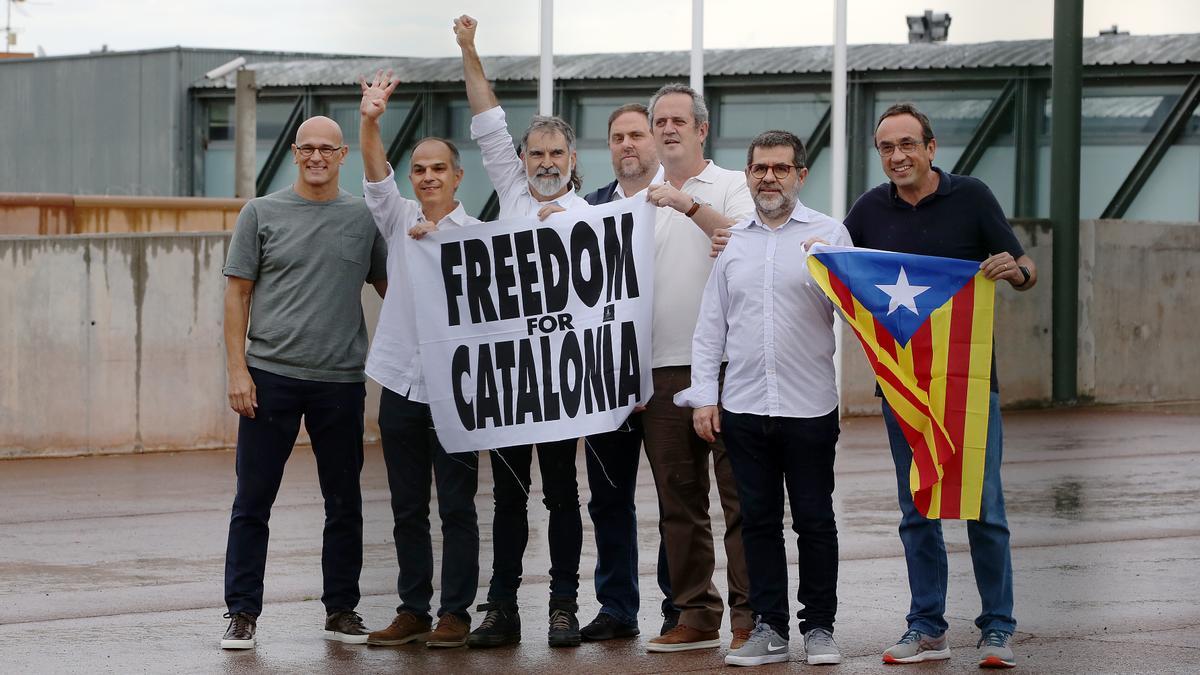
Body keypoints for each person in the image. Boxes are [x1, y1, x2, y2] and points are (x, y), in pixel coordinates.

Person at [844, 102, 1037, 669]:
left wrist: (1014, 271)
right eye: (886, 147)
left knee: (984, 507)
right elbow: (837, 263)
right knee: (917, 508)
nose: (898, 156)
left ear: (931, 148)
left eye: (908, 144)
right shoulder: (866, 210)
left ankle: (997, 630)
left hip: (971, 383)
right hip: (901, 386)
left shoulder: (972, 196)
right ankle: (927, 627)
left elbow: (1026, 269)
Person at [676, 130, 849, 667]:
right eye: (759, 169)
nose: (768, 177)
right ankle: (769, 629)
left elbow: (859, 312)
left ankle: (819, 628)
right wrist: (705, 396)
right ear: (748, 176)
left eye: (780, 168)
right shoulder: (734, 240)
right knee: (757, 522)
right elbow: (711, 326)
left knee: (815, 520)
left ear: (801, 174)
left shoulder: (830, 234)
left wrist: (830, 271)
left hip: (810, 407)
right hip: (745, 406)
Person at [220, 115, 387, 650]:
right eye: (308, 148)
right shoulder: (261, 214)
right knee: (253, 501)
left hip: (340, 381)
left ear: (343, 157)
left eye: (328, 150)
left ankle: (341, 610)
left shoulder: (364, 220)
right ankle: (242, 612)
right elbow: (236, 296)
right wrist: (237, 371)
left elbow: (397, 291)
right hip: (270, 377)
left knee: (344, 502)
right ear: (295, 152)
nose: (317, 157)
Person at [455, 14, 589, 649]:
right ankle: (501, 608)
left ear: (572, 160)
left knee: (563, 498)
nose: (543, 162)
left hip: (564, 379)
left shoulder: (598, 218)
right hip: (510, 379)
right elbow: (487, 119)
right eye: (534, 153)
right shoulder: (510, 193)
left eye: (554, 154)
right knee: (507, 501)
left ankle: (564, 605)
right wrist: (469, 47)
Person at [356, 70, 482, 650]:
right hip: (401, 387)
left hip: (458, 391)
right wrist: (370, 119)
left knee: (456, 507)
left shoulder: (483, 237)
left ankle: (454, 613)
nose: (428, 177)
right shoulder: (398, 220)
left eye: (439, 168)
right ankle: (412, 608)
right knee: (407, 507)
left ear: (458, 176)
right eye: (420, 169)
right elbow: (375, 174)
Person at [640, 82, 757, 654]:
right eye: (658, 120)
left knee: (740, 498)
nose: (667, 129)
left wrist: (686, 204)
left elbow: (738, 240)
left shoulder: (735, 185)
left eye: (677, 120)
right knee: (678, 502)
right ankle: (695, 613)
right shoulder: (636, 200)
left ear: (701, 129)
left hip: (729, 366)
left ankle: (751, 615)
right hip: (660, 370)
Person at [570, 103, 665, 642]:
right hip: (606, 382)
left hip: (669, 375)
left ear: (655, 140)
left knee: (678, 500)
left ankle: (680, 608)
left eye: (637, 134)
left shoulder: (677, 202)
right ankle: (618, 608)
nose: (628, 144)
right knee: (608, 498)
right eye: (617, 137)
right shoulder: (587, 210)